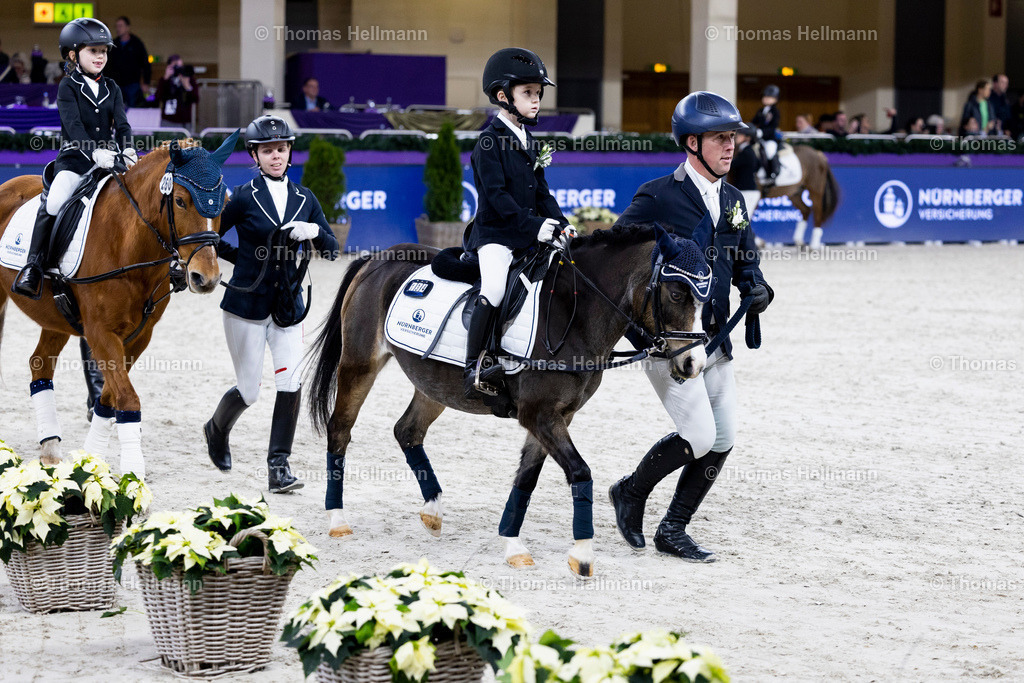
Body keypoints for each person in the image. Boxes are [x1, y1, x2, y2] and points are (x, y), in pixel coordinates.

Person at [609, 91, 773, 562]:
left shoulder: (735, 198)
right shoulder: (658, 195)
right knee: (700, 436)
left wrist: (758, 288)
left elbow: (746, 260)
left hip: (716, 337)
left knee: (723, 438)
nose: (730, 146)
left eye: (733, 138)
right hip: (670, 340)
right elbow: (619, 256)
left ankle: (672, 528)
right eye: (721, 138)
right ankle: (631, 491)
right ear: (692, 143)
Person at [204, 114, 339, 493]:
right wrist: (244, 261)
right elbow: (212, 237)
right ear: (255, 155)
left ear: (289, 152)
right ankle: (216, 429)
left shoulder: (305, 199)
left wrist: (314, 232)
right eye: (268, 151)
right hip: (246, 304)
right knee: (249, 390)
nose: (275, 156)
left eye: (281, 149)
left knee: (291, 382)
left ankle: (279, 466)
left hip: (287, 306)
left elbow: (332, 250)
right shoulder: (243, 196)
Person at [462, 47, 571, 398]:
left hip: (527, 232)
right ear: (502, 96)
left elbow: (542, 193)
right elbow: (497, 198)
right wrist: (533, 226)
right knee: (494, 289)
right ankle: (472, 366)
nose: (536, 100)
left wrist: (561, 223)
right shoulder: (488, 142)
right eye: (528, 93)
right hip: (496, 235)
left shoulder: (530, 140)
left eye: (538, 93)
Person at [12, 18, 135, 299]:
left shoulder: (112, 88)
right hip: (75, 161)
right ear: (72, 54)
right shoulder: (67, 87)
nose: (100, 56)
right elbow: (74, 126)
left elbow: (123, 125)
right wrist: (94, 152)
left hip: (109, 162)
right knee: (54, 201)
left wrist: (128, 149)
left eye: (103, 51)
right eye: (93, 51)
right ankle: (33, 265)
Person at [105, 16, 150, 108]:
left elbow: (145, 63)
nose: (118, 29)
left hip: (132, 84)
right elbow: (108, 65)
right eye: (117, 26)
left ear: (127, 27)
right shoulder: (113, 44)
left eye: (120, 26)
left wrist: (146, 82)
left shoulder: (137, 44)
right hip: (117, 84)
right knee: (117, 109)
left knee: (133, 108)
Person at [155, 55, 198, 130]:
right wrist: (166, 78)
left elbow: (195, 98)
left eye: (179, 67)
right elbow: (158, 97)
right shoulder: (165, 80)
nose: (177, 70)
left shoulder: (189, 79)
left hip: (185, 121)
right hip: (168, 120)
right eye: (175, 67)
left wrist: (187, 86)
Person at [751, 84, 781, 186]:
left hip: (769, 138)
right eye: (765, 96)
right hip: (759, 138)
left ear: (775, 99)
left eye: (768, 97)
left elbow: (773, 127)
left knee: (769, 151)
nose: (765, 98)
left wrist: (762, 132)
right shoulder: (760, 111)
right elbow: (754, 121)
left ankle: (772, 175)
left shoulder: (775, 112)